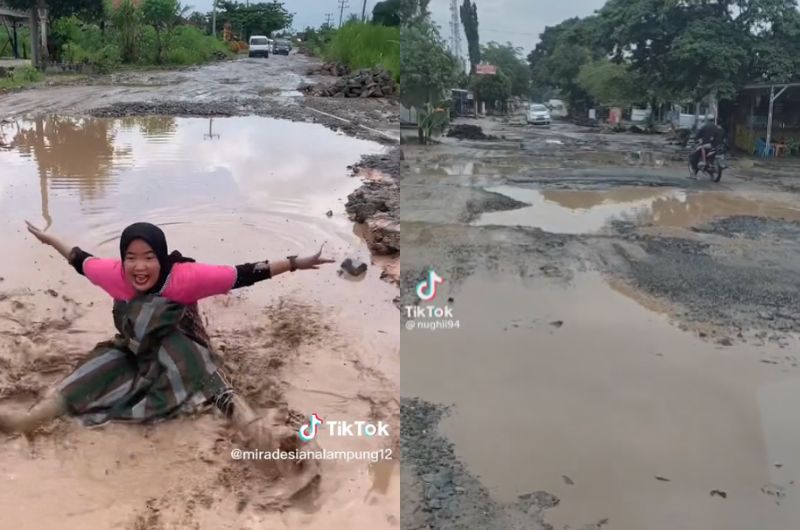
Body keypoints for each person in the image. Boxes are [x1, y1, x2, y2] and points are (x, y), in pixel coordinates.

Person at [2, 221, 335, 496]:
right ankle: (27, 420)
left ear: (160, 258)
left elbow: (244, 273)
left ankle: (264, 439)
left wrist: (295, 263)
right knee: (92, 372)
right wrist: (49, 240)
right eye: (131, 257)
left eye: (148, 257)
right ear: (122, 260)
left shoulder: (185, 278)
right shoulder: (114, 275)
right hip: (136, 349)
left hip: (185, 350)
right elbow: (79, 259)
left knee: (211, 383)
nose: (140, 266)